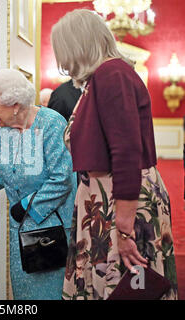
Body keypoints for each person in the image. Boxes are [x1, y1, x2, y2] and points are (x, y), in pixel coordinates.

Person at [51, 9, 178, 300]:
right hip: (110, 199)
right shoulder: (105, 76)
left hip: (119, 201)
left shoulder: (112, 74)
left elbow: (125, 151)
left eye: (64, 52)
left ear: (78, 45)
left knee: (127, 288)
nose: (64, 63)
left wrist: (124, 229)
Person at [0, 69, 77, 300]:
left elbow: (61, 178)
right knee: (24, 296)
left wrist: (27, 206)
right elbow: (4, 172)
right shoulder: (7, 131)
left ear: (15, 105)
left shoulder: (51, 124)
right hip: (21, 231)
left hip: (51, 232)